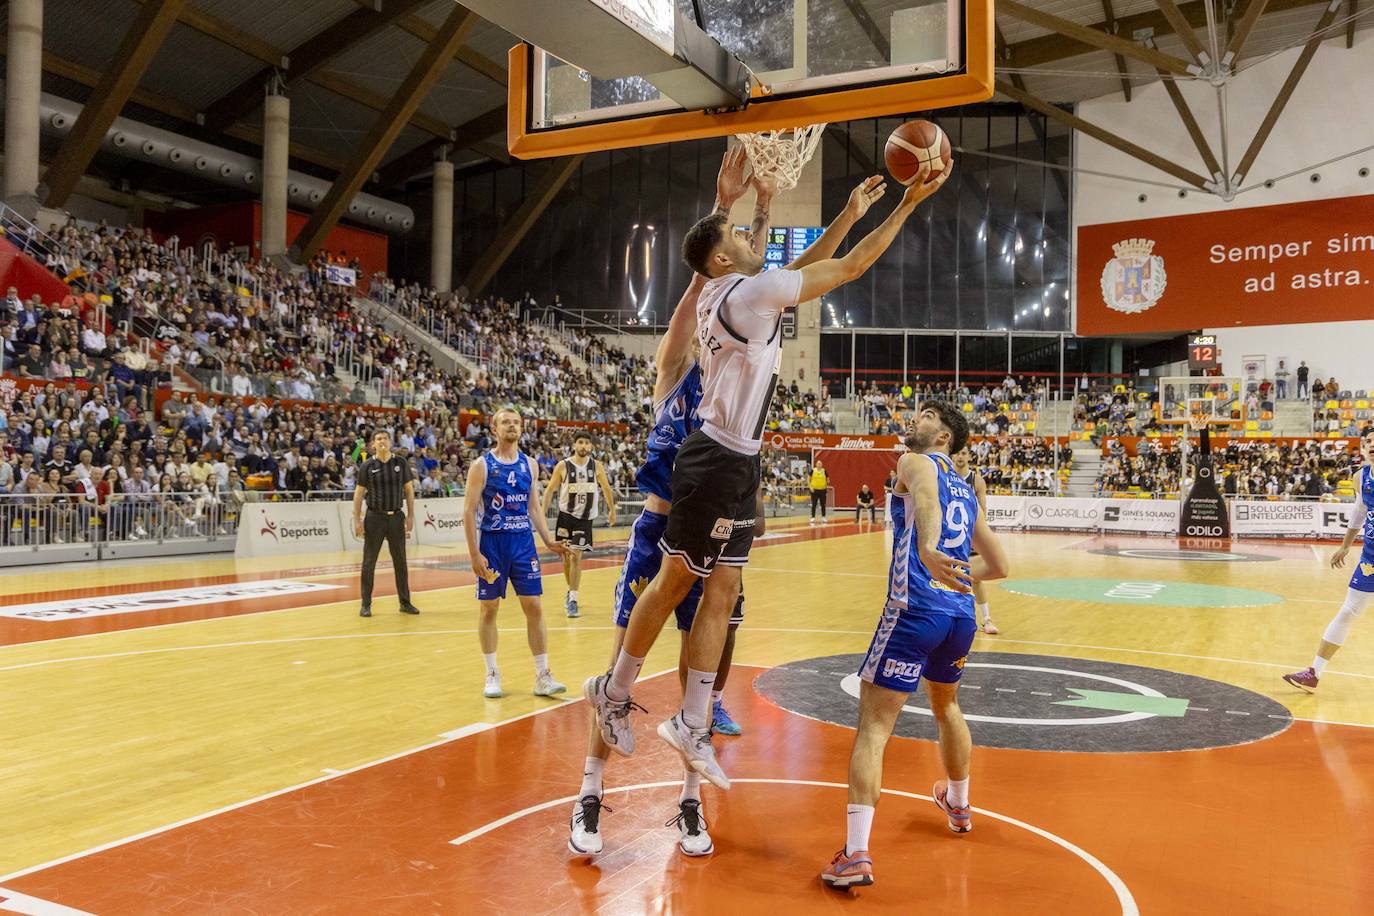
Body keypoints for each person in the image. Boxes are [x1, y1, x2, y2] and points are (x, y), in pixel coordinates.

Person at [586, 155, 947, 796]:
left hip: (740, 460)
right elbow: (851, 268)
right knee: (675, 583)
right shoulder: (747, 293)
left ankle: (692, 722)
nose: (754, 241)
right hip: (713, 457)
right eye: (741, 240)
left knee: (721, 597)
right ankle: (613, 691)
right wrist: (909, 203)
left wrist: (845, 214)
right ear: (723, 262)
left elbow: (802, 269)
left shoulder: (738, 289)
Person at [570, 150, 761, 860]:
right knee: (621, 658)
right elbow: (705, 292)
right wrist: (722, 210)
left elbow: (745, 282)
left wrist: (752, 217)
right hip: (658, 527)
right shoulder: (675, 373)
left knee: (696, 683)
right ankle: (589, 792)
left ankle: (688, 804)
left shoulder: (738, 377)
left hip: (717, 531)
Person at [820, 403, 1009, 889]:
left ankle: (856, 853)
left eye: (924, 416)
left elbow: (924, 497)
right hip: (959, 618)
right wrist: (963, 578)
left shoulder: (916, 463)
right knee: (946, 706)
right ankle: (960, 806)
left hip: (913, 610)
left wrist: (928, 550)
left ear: (944, 436)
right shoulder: (967, 491)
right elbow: (1001, 566)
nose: (913, 420)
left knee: (874, 727)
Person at [462, 407, 570, 699]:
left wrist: (548, 541)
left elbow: (534, 507)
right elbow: (469, 511)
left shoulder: (530, 465)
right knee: (489, 609)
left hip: (523, 544)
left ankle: (542, 675)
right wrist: (474, 554)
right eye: (505, 422)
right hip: (493, 544)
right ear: (494, 429)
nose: (511, 426)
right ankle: (492, 673)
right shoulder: (482, 466)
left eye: (516, 422)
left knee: (534, 606)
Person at [1282, 428, 1374, 692]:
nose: (1372, 445)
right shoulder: (1361, 477)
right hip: (1370, 557)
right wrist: (1345, 546)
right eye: (1368, 442)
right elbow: (1359, 512)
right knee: (1348, 612)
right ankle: (1314, 673)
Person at [540, 431, 617, 618]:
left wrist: (612, 509)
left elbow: (606, 487)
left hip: (584, 519)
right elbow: (550, 490)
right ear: (574, 445)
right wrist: (541, 514)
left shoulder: (596, 466)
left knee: (575, 556)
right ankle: (570, 591)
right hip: (566, 517)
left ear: (591, 446)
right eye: (580, 442)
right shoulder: (563, 466)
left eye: (586, 443)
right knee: (567, 559)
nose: (583, 446)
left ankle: (573, 598)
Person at [351, 429, 420, 618]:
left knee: (401, 562)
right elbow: (358, 495)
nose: (382, 442)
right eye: (378, 439)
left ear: (390, 442)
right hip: (374, 518)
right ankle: (366, 604)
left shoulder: (401, 463)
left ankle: (405, 603)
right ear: (373, 444)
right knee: (369, 562)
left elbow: (409, 491)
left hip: (396, 517)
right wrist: (357, 519)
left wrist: (411, 516)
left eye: (385, 438)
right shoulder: (367, 465)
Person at [951, 445, 998, 635]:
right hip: (949, 535)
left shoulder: (976, 481)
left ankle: (986, 619)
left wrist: (976, 536)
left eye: (964, 453)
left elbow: (982, 512)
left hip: (969, 535)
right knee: (944, 575)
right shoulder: (944, 477)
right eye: (957, 453)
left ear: (969, 457)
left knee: (976, 578)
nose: (960, 456)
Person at [809, 459, 829, 524]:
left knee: (823, 504)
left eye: (820, 463)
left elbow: (828, 479)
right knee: (814, 504)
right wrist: (810, 487)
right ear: (816, 464)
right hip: (814, 490)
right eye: (818, 463)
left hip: (822, 490)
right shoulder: (812, 471)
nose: (819, 465)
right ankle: (813, 517)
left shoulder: (824, 471)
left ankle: (823, 517)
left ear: (822, 465)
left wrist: (827, 483)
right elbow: (808, 479)